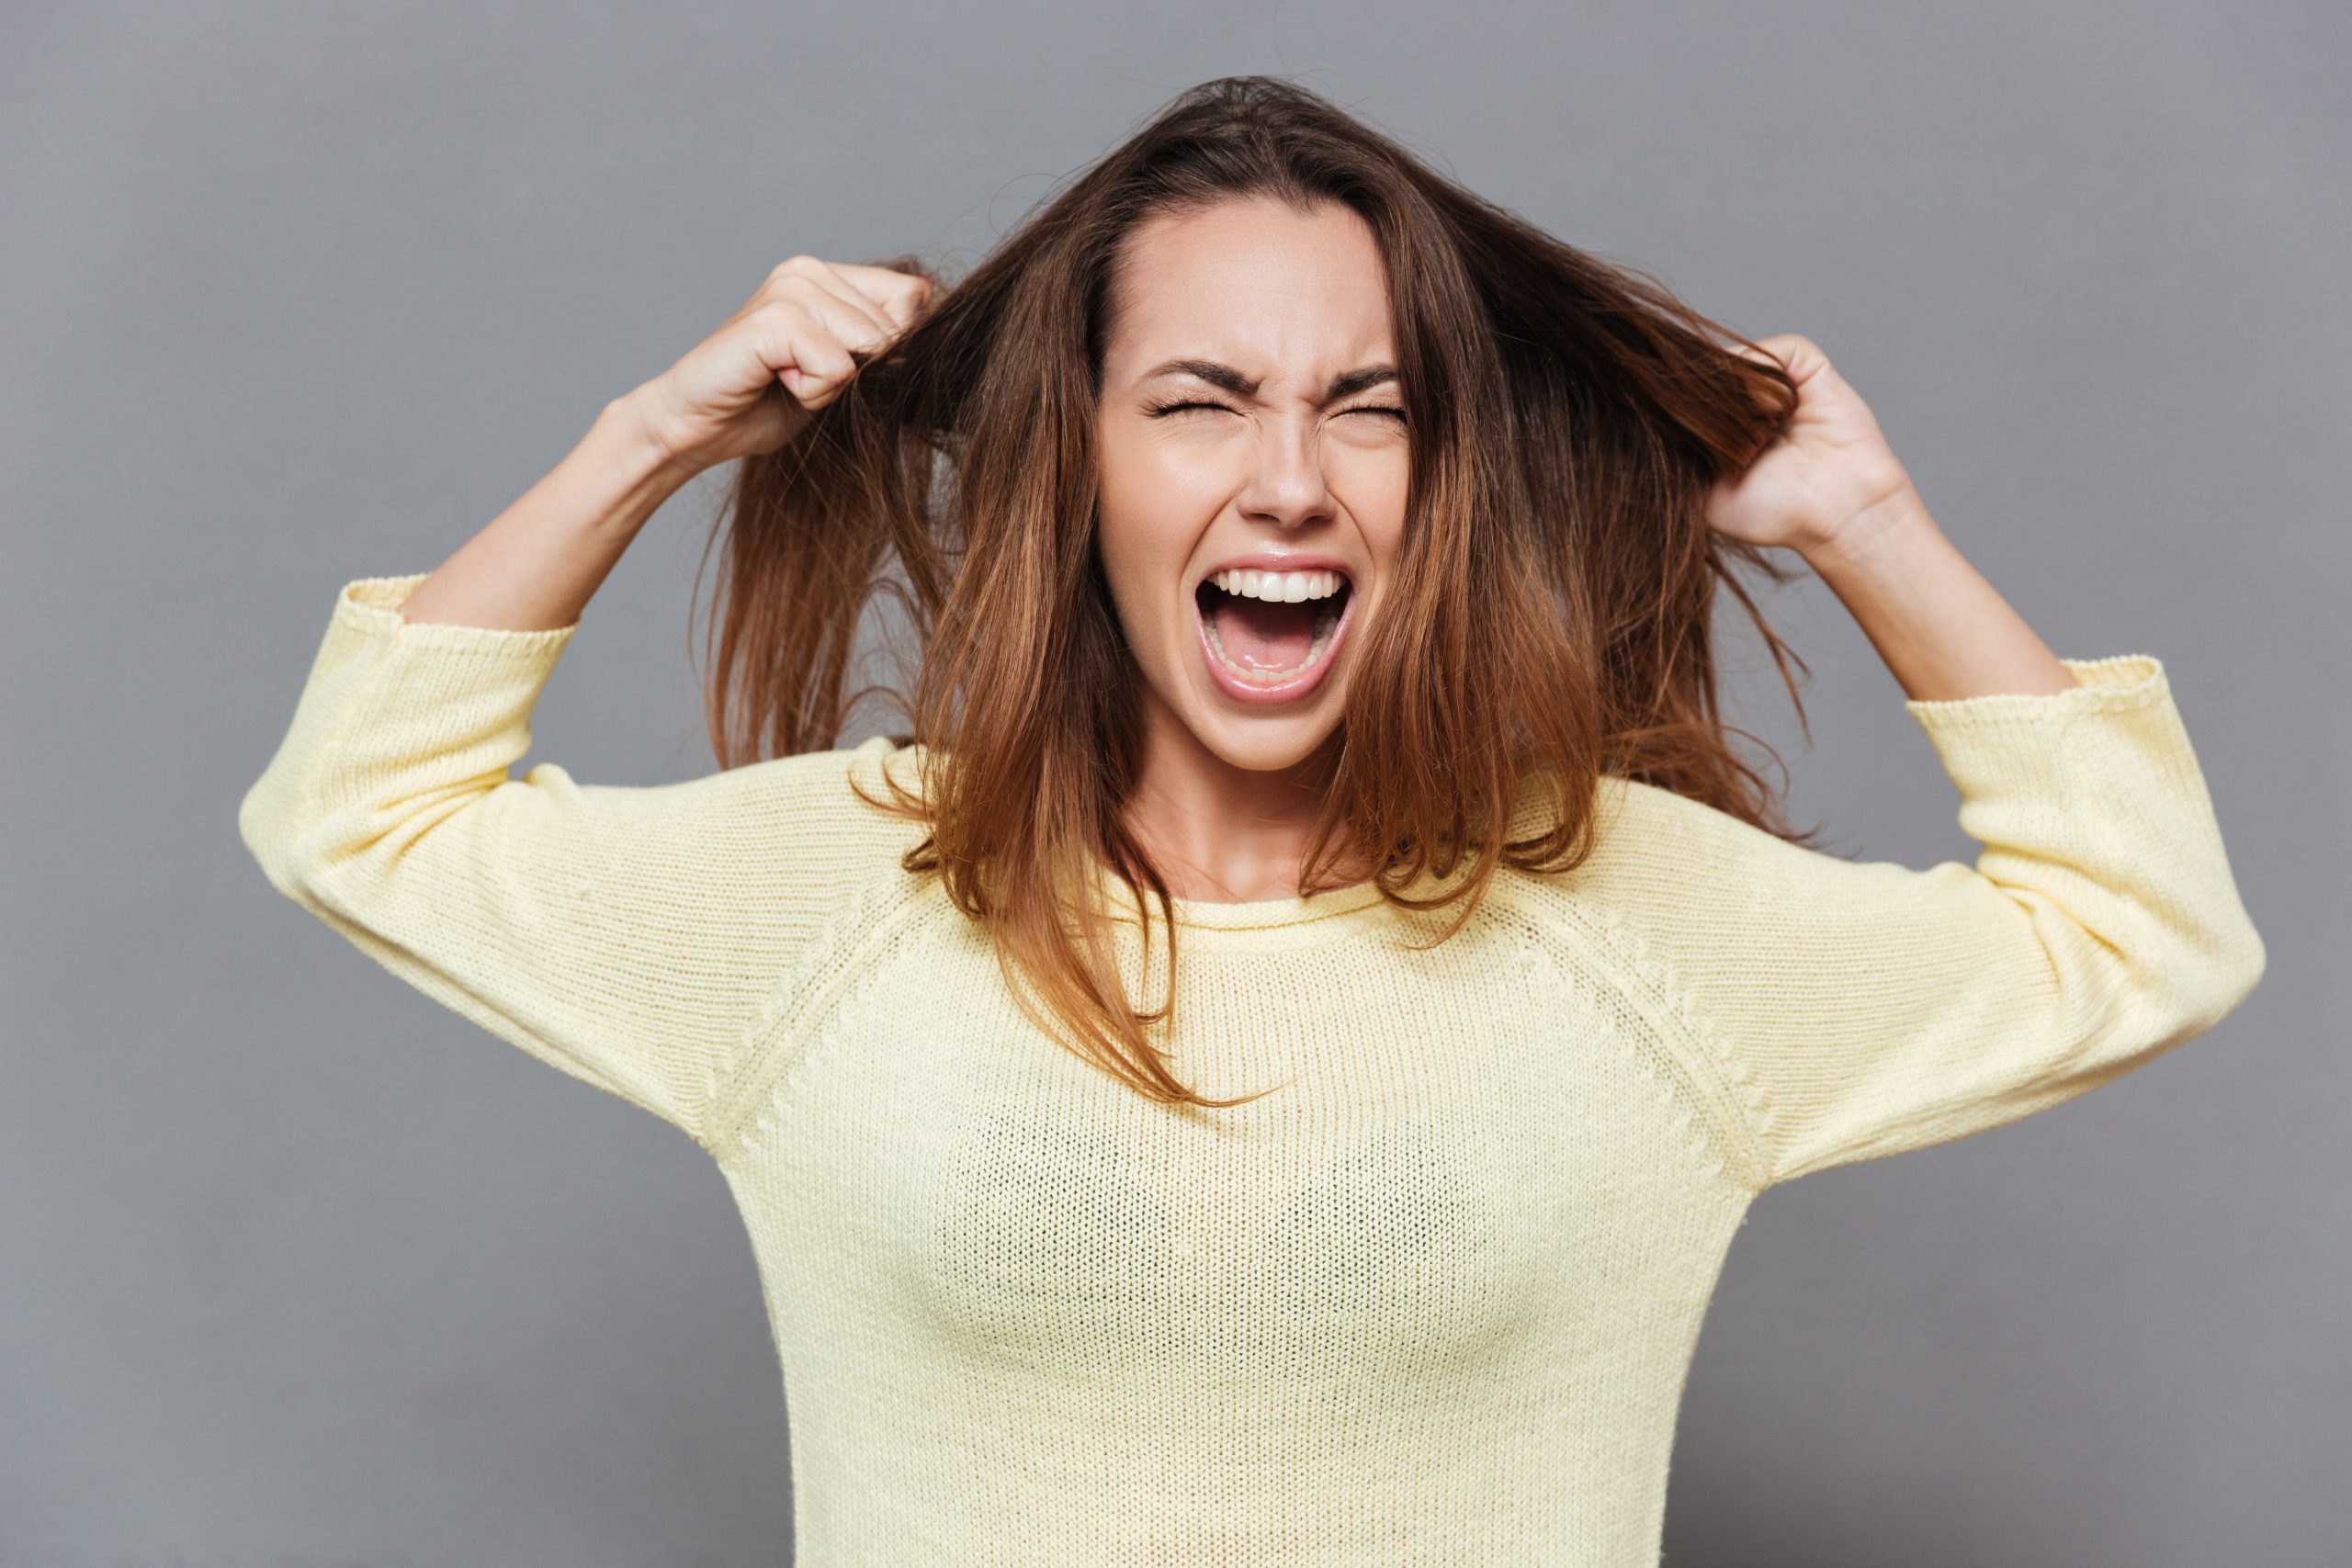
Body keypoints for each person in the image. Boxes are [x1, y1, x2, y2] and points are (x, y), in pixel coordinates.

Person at [237, 76, 2264, 1566]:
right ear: (1079, 463)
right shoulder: (853, 888)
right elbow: (356, 808)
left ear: (1437, 481)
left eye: (1366, 406)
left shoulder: (1618, 916)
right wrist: (653, 433)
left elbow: (2147, 930)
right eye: (1199, 399)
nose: (1289, 478)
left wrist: (1865, 520)